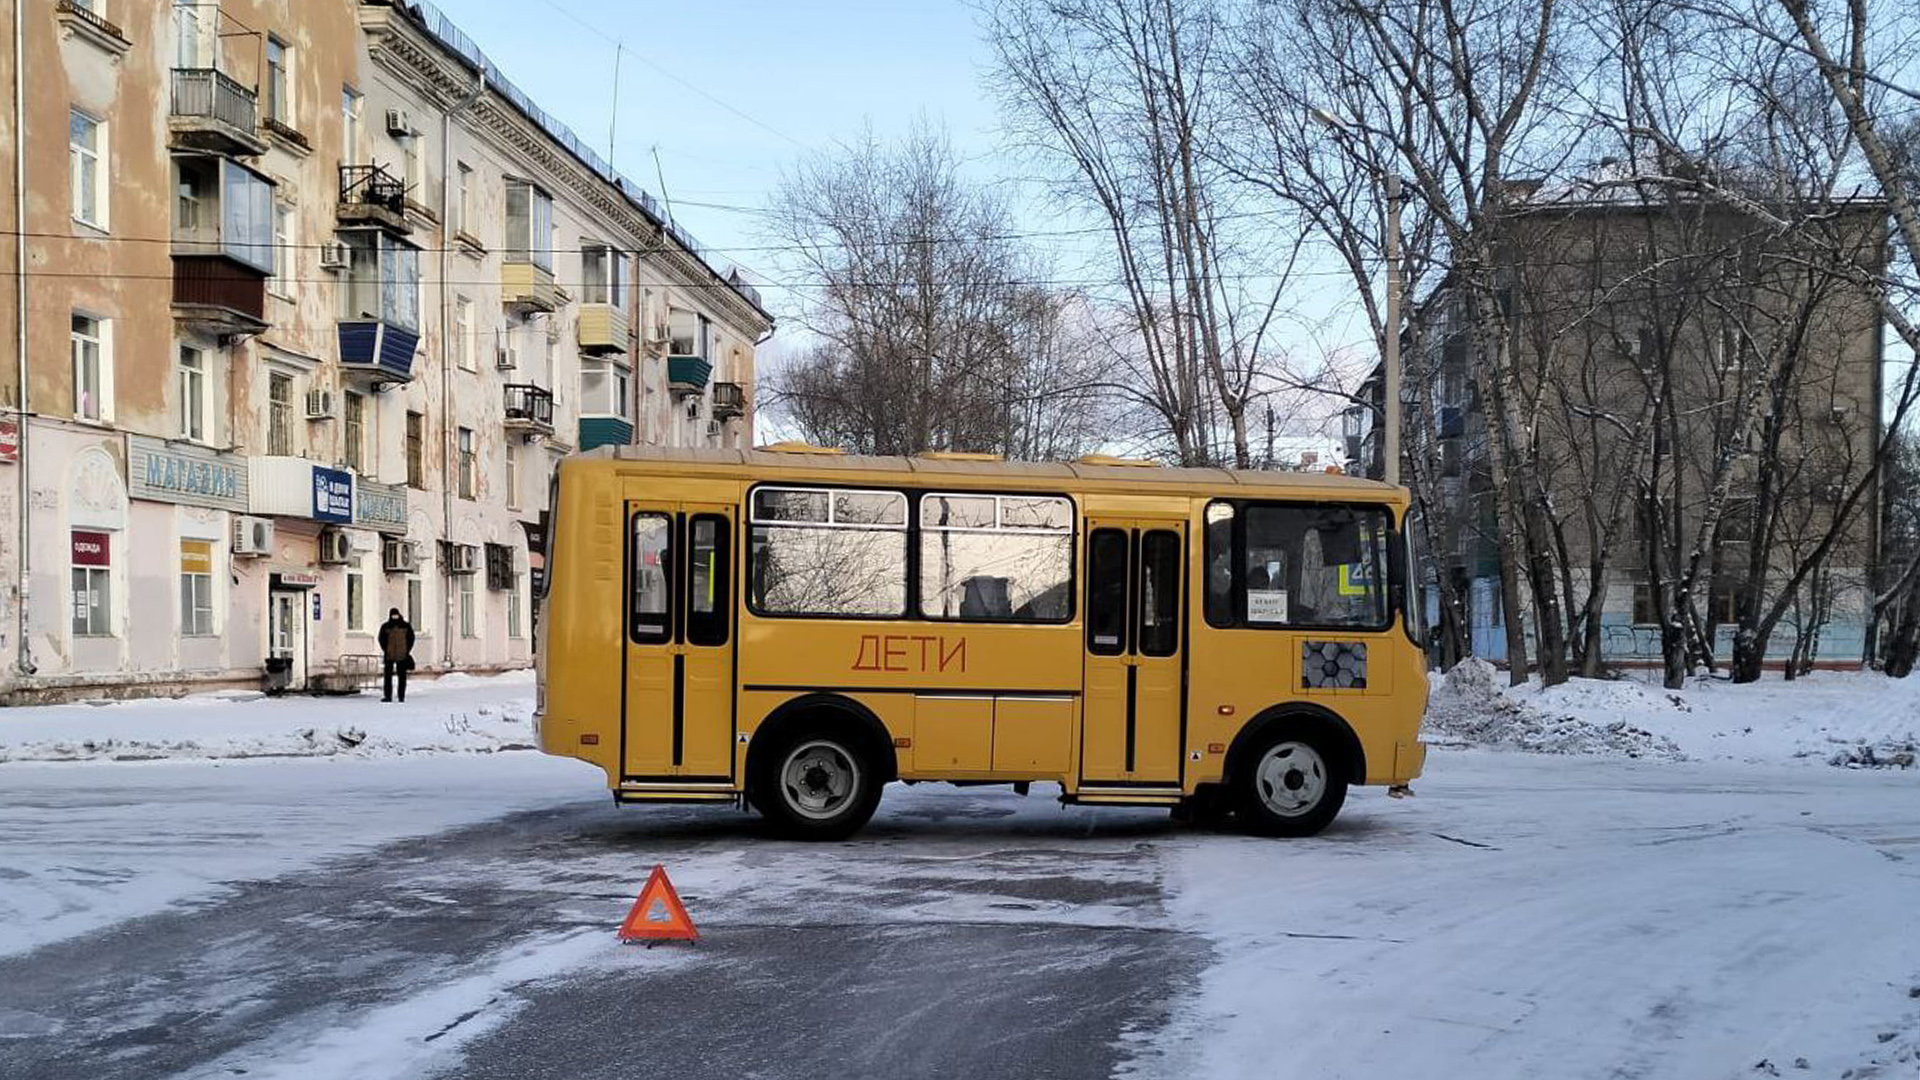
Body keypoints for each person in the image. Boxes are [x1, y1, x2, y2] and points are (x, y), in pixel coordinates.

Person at [378, 607, 415, 703]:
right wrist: (386, 649)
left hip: (402, 655)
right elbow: (381, 639)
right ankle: (388, 696)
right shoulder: (386, 626)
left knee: (402, 677)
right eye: (393, 615)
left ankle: (401, 696)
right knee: (387, 677)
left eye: (396, 615)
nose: (394, 617)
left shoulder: (405, 626)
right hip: (389, 654)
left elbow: (411, 638)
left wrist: (407, 650)